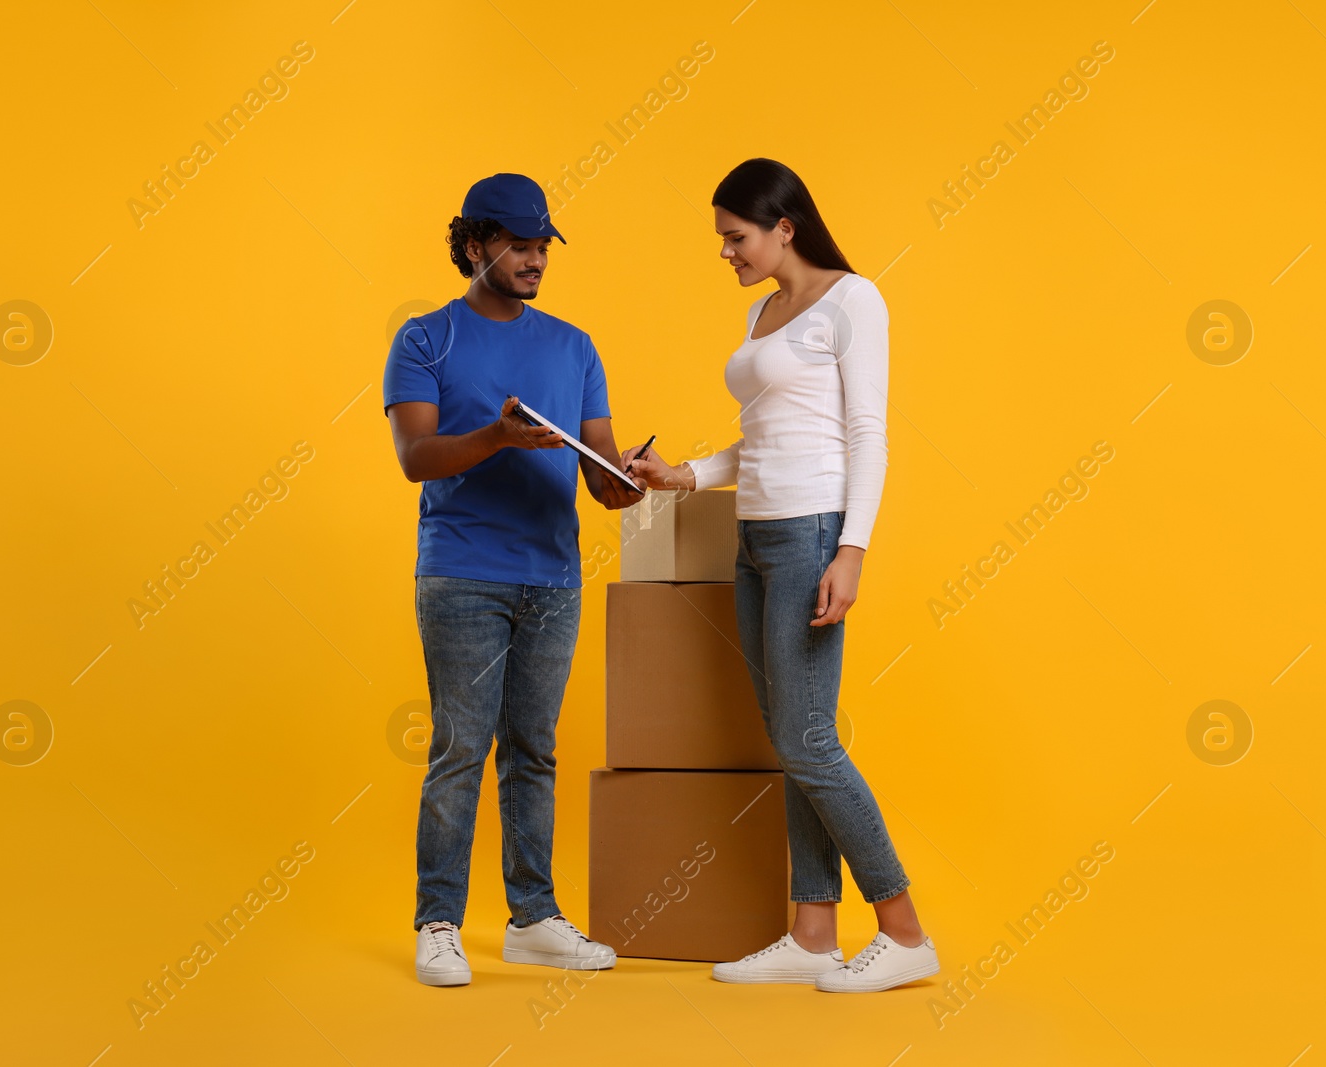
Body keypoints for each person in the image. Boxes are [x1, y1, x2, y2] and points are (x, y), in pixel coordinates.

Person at [623, 158, 938, 994]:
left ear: (784, 227)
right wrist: (683, 474)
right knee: (789, 740)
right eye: (722, 239)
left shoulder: (852, 300)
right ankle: (812, 932)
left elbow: (867, 433)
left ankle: (904, 931)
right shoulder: (766, 312)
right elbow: (758, 439)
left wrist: (853, 549)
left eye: (736, 237)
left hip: (810, 535)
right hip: (755, 538)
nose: (726, 252)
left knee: (807, 739)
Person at [384, 172, 644, 987]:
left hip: (552, 578)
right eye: (519, 245)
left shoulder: (573, 345)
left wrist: (623, 480)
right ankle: (438, 922)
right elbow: (415, 458)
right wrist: (495, 436)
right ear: (475, 246)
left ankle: (532, 917)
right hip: (462, 573)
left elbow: (597, 472)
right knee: (462, 747)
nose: (534, 259)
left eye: (542, 246)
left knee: (534, 749)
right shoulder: (425, 340)